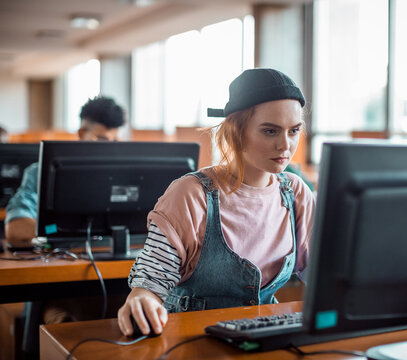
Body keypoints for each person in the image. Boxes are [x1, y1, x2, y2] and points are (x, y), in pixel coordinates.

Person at [117, 68, 316, 337]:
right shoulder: (191, 193)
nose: (285, 145)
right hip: (189, 340)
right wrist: (143, 298)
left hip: (263, 337)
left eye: (294, 131)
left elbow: (322, 273)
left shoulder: (295, 193)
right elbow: (150, 282)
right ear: (236, 131)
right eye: (270, 131)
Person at [4, 96, 125, 246]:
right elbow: (15, 229)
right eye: (102, 140)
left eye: (114, 141)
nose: (110, 148)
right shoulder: (40, 172)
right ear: (82, 134)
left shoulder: (123, 175)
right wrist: (59, 229)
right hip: (64, 257)